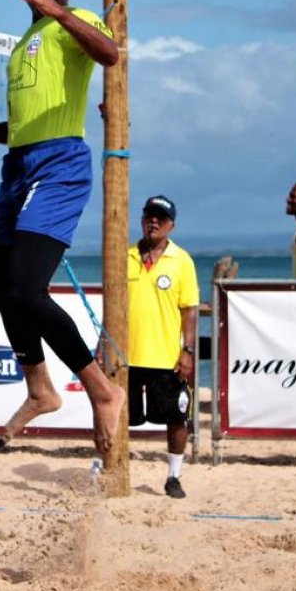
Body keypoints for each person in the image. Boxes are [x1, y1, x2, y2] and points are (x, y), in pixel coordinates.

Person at [0, 0, 125, 454]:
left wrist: (59, 10)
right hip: (20, 165)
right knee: (1, 289)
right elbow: (21, 129)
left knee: (26, 287)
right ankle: (40, 390)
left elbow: (110, 54)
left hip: (60, 164)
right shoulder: (24, 44)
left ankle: (101, 390)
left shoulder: (74, 20)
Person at [127, 195, 199, 499]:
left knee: (176, 418)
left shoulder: (181, 260)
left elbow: (189, 310)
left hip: (166, 356)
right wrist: (104, 345)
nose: (153, 221)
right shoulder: (125, 255)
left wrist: (188, 351)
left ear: (171, 225)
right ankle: (110, 469)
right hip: (127, 355)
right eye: (149, 216)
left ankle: (173, 476)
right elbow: (112, 305)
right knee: (117, 416)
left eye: (160, 217)